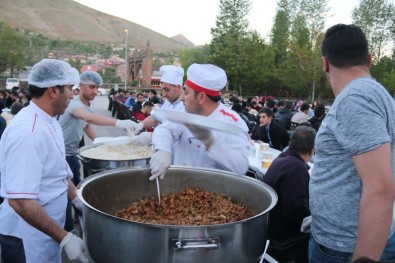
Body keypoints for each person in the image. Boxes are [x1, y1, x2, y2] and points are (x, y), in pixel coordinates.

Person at [309, 24, 395, 262]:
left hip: (345, 247)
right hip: (342, 238)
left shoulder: (355, 100)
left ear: (325, 63)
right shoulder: (377, 94)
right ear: (369, 59)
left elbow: (380, 189)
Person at [0, 59, 89, 262]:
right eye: (70, 88)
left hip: (46, 230)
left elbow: (56, 171)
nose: (73, 95)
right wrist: (65, 238)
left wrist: (77, 200)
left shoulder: (49, 119)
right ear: (53, 91)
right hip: (25, 237)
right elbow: (20, 201)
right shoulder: (28, 133)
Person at [58, 71, 137, 231]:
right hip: (61, 156)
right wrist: (118, 123)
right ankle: (66, 231)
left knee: (77, 188)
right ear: (80, 86)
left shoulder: (89, 104)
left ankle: (77, 217)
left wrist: (98, 143)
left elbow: (85, 124)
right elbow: (87, 118)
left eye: (97, 88)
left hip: (73, 154)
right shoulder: (74, 104)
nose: (95, 91)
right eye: (92, 87)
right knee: (64, 195)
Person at [149, 63, 250, 180]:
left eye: (186, 92)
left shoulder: (233, 123)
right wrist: (163, 150)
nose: (182, 97)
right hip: (178, 185)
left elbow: (241, 166)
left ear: (201, 97)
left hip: (212, 192)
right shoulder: (185, 111)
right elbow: (166, 129)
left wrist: (211, 142)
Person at [262, 126, 316, 262]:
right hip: (282, 238)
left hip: (270, 225)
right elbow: (295, 209)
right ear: (312, 150)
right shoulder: (296, 168)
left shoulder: (283, 158)